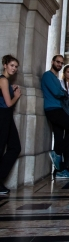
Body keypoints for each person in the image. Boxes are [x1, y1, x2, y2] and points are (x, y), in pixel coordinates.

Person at [41, 54, 69, 179]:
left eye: (61, 63)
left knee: (59, 137)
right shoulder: (47, 75)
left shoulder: (55, 78)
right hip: (54, 109)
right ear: (52, 62)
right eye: (57, 62)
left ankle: (60, 171)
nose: (59, 64)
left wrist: (63, 93)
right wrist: (64, 94)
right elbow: (58, 93)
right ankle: (57, 153)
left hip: (58, 108)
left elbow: (62, 93)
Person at [0, 55, 21, 195]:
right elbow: (8, 104)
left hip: (6, 116)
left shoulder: (5, 81)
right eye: (12, 65)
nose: (14, 68)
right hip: (3, 115)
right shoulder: (2, 80)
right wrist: (17, 96)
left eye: (16, 66)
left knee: (15, 147)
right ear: (5, 65)